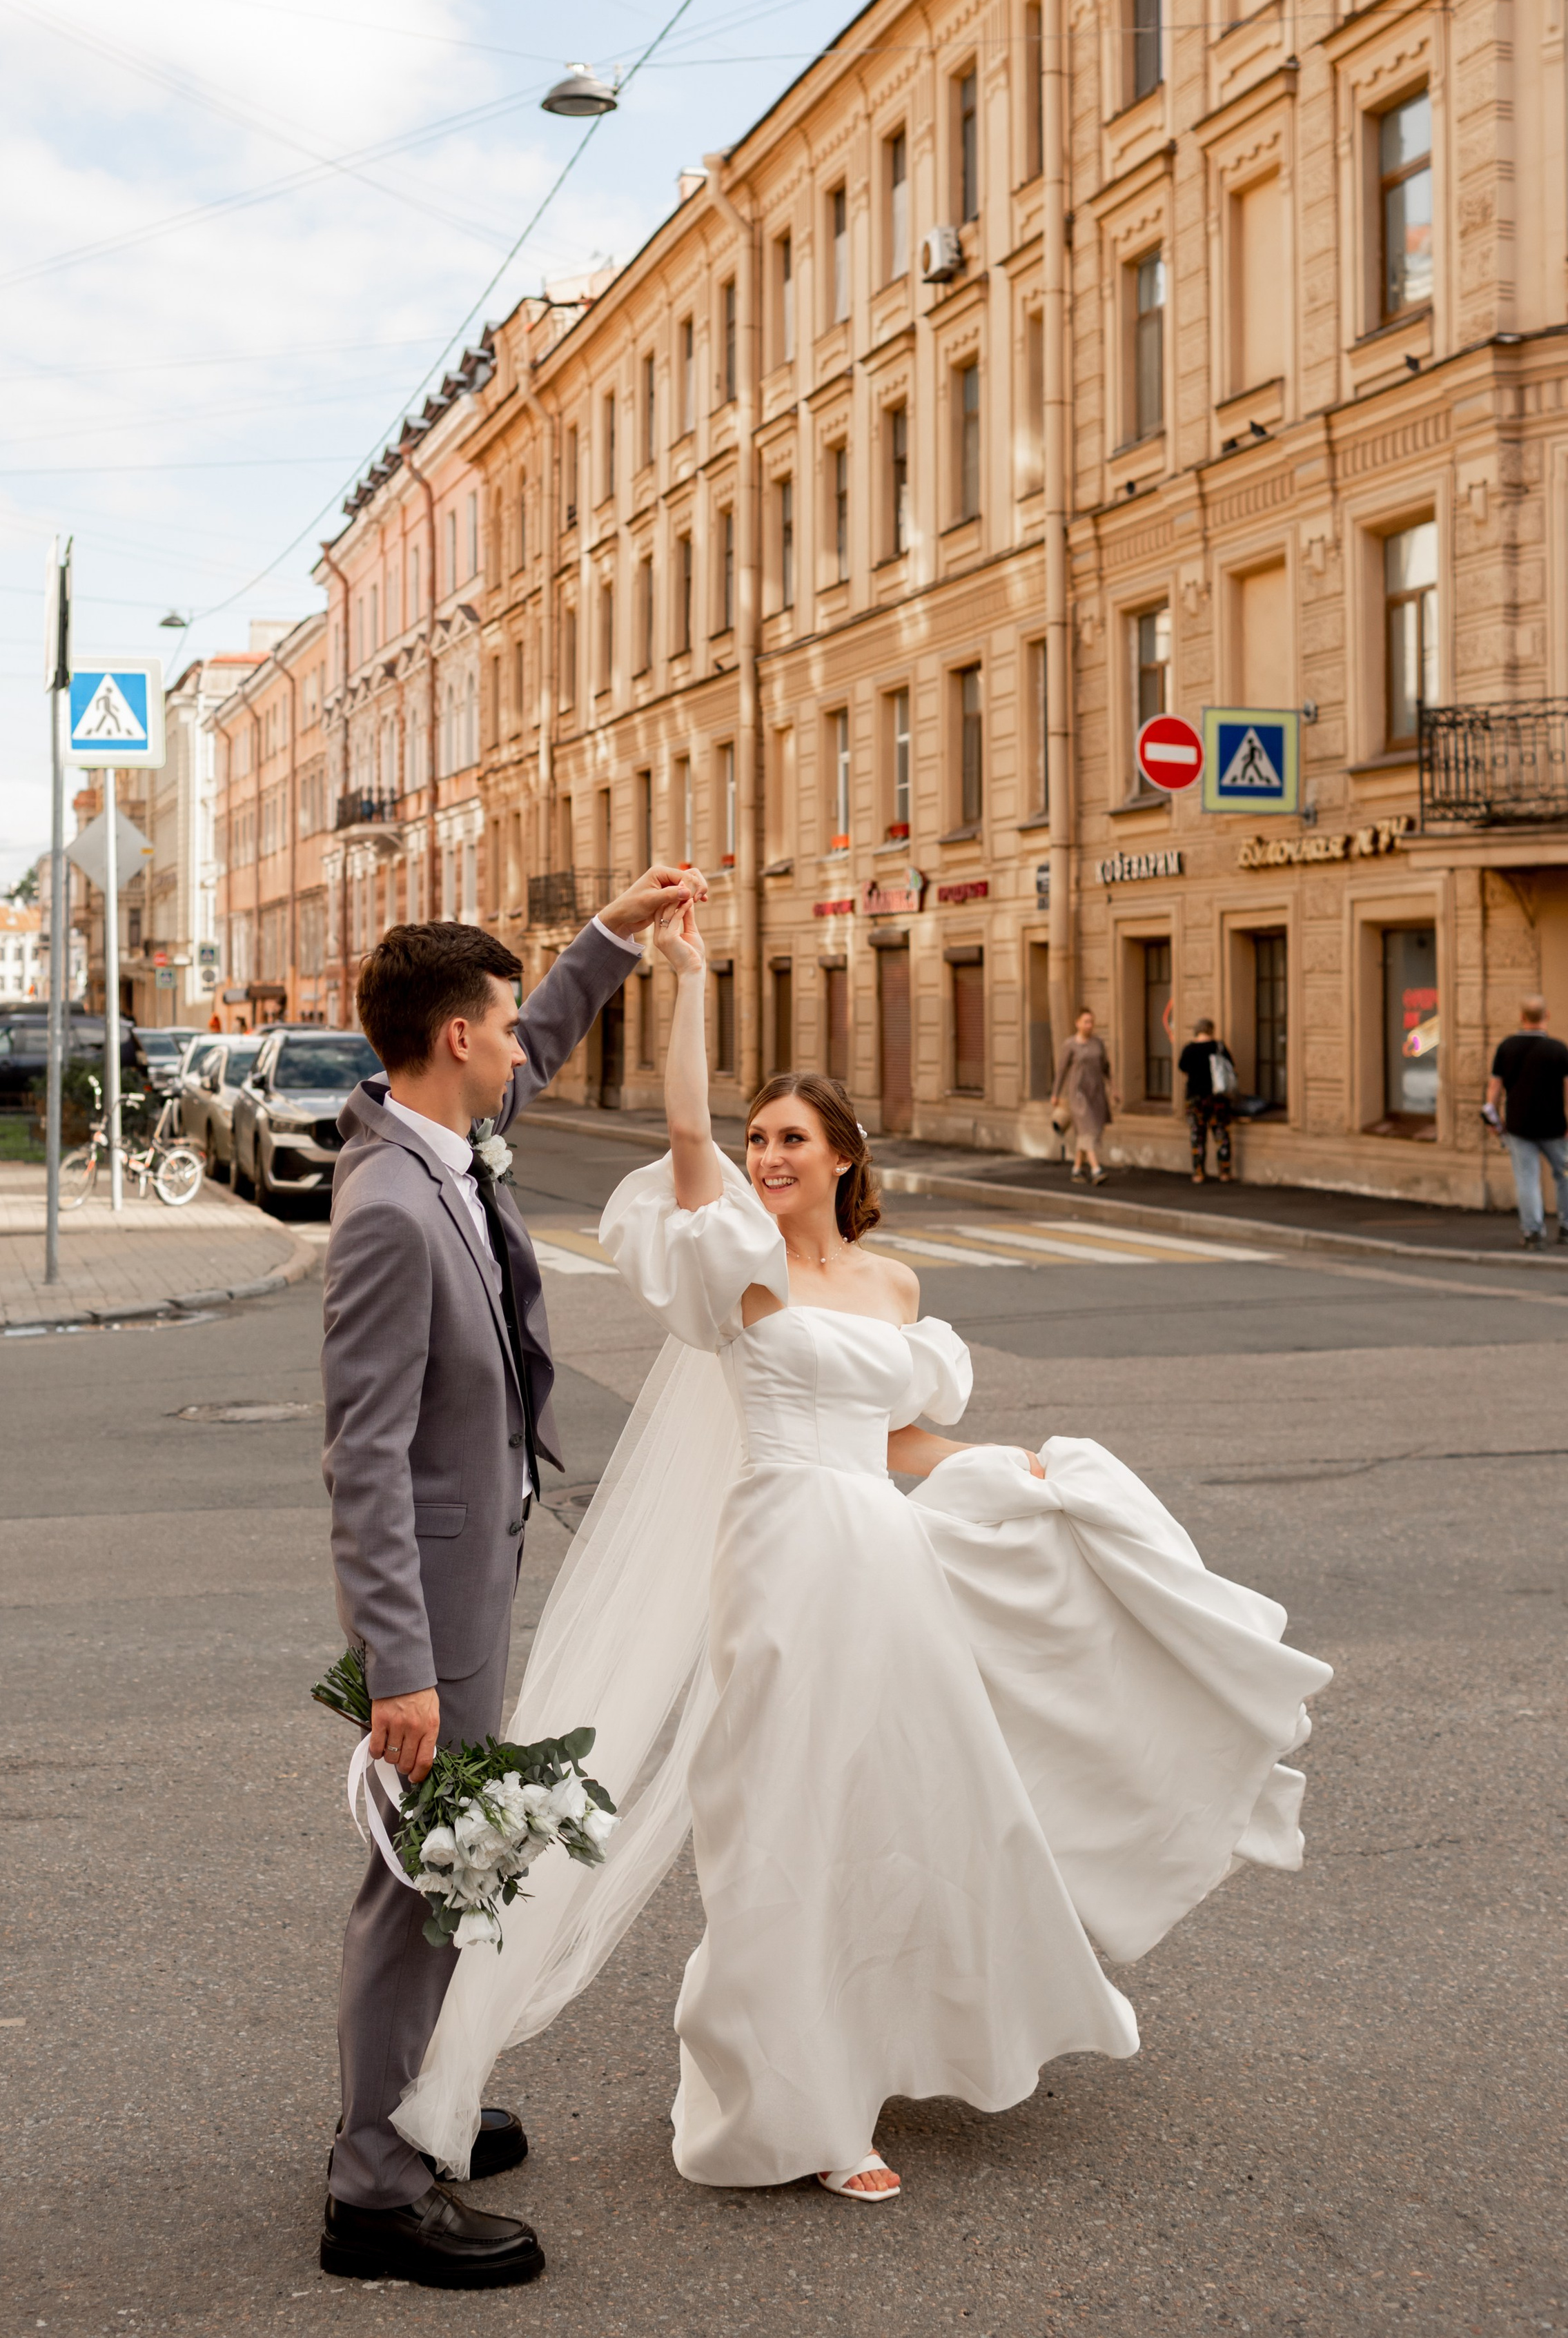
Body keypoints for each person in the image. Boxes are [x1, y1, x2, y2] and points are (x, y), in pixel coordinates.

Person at [387, 894, 1329, 2212]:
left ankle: (892, 2053)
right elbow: (681, 1135)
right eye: (756, 1135)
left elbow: (898, 1443)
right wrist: (691, 985)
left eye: (790, 1138)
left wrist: (1014, 1472)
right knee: (779, 1829)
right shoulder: (740, 1265)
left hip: (886, 1560)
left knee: (906, 1816)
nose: (765, 1154)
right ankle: (806, 2112)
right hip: (780, 1559)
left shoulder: (893, 1289)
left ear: (840, 1156)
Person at [318, 863, 707, 2292]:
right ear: (452, 1042)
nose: (517, 1050)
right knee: (423, 1872)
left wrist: (610, 933)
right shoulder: (387, 1209)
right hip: (430, 1597)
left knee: (448, 1854)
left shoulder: (438, 1140)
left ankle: (421, 2095)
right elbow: (359, 1457)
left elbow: (544, 1036)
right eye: (500, 1024)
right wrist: (400, 1665)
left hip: (470, 1562)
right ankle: (373, 2190)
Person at [1487, 994, 1568, 1250]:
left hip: (1519, 1125)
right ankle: (1566, 1227)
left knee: (1527, 1178)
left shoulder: (1506, 1048)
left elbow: (1494, 1089)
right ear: (1547, 1017)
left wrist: (1494, 1120)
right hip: (1555, 1126)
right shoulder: (1559, 1049)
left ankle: (1533, 1232)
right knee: (1564, 1175)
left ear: (1522, 1018)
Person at [1051, 1006, 1113, 1183]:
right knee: (1088, 1129)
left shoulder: (1098, 1043)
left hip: (1096, 1092)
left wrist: (1114, 1088)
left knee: (1087, 1131)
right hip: (1078, 1094)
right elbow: (1062, 1070)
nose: (1089, 1025)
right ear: (1077, 1023)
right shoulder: (1070, 1044)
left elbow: (1106, 1067)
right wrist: (1055, 1093)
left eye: (1091, 1022)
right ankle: (1096, 1170)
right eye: (1086, 1022)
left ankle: (1077, 1169)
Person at [1179, 1016, 1236, 1184]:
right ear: (1211, 1030)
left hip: (1196, 1098)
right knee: (1222, 1134)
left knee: (1198, 1134)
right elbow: (1231, 1066)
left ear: (1197, 1030)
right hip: (1217, 1097)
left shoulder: (1189, 1049)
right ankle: (1224, 1172)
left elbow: (1182, 1067)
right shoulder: (1218, 1047)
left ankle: (1198, 1173)